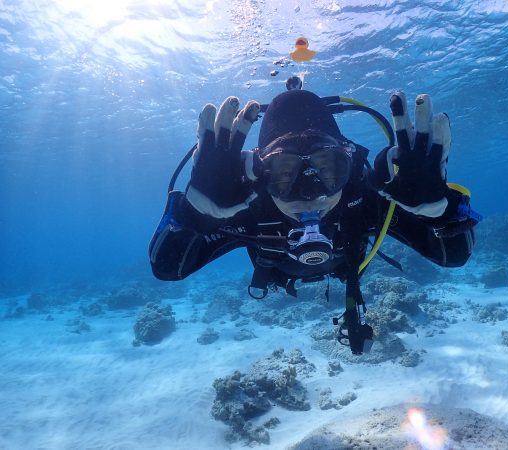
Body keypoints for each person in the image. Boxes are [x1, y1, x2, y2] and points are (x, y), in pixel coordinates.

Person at [149, 81, 480, 355]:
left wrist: (441, 211)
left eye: (328, 168)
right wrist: (196, 215)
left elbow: (453, 255)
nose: (309, 193)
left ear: (348, 163)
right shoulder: (245, 205)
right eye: (284, 172)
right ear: (259, 173)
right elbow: (167, 267)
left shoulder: (362, 199)